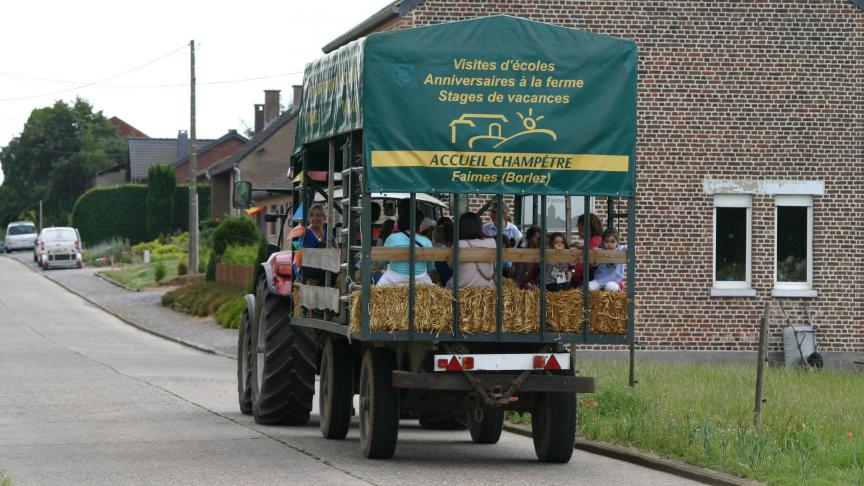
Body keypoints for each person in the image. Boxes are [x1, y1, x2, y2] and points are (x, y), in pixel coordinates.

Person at [377, 202, 435, 286]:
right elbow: (430, 268)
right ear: (419, 224)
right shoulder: (427, 242)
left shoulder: (392, 238)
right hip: (420, 282)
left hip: (393, 281)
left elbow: (381, 262)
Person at [446, 212, 496, 289]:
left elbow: (451, 265)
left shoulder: (459, 244)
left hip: (462, 288)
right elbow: (494, 265)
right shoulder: (492, 242)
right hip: (486, 287)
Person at [572, 213, 604, 287]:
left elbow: (584, 265)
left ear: (593, 227)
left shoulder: (595, 241)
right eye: (579, 224)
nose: (580, 227)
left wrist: (572, 272)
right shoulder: (595, 240)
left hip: (587, 282)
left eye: (583, 225)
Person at [431, 220, 453, 287]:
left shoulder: (434, 252)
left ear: (435, 239)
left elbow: (432, 269)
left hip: (443, 284)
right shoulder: (451, 249)